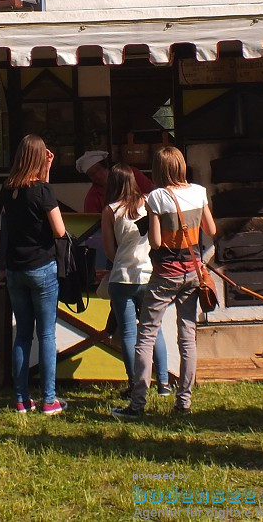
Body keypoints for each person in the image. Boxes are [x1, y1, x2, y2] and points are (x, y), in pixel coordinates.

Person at [111, 145, 216, 420]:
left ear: (158, 169)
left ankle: (137, 404)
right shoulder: (199, 192)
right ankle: (183, 402)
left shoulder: (156, 197)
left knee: (145, 335)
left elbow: (155, 242)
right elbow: (211, 229)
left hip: (165, 273)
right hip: (192, 271)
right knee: (187, 336)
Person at [1, 134, 67, 415]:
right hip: (41, 267)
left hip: (15, 269)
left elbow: (33, 195)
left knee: (23, 336)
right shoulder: (42, 191)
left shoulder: (8, 188)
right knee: (47, 335)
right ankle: (49, 399)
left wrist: (46, 172)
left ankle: (21, 398)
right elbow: (60, 231)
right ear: (41, 157)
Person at [101, 163, 171, 399]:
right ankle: (163, 383)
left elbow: (110, 251)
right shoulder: (149, 203)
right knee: (155, 330)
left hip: (122, 277)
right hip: (149, 274)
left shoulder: (110, 211)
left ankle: (136, 385)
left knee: (129, 334)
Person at [76, 150, 153, 214]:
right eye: (92, 174)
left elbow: (153, 194)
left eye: (99, 169)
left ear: (106, 165)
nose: (98, 175)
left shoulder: (131, 173)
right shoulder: (92, 198)